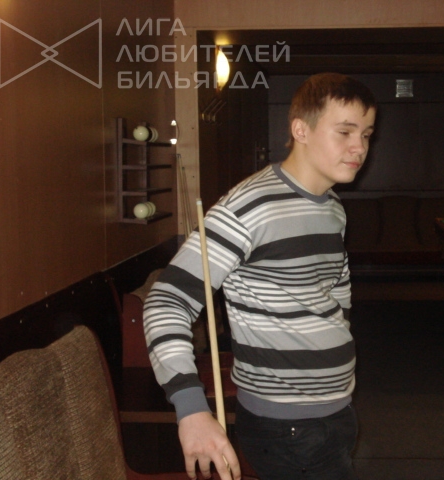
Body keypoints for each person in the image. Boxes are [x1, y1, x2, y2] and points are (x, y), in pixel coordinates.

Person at [143, 72, 377, 480]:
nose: (359, 147)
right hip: (287, 427)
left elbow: (336, 293)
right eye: (345, 131)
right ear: (300, 130)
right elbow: (166, 301)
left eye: (367, 134)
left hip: (335, 410)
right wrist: (191, 408)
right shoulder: (249, 208)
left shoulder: (332, 206)